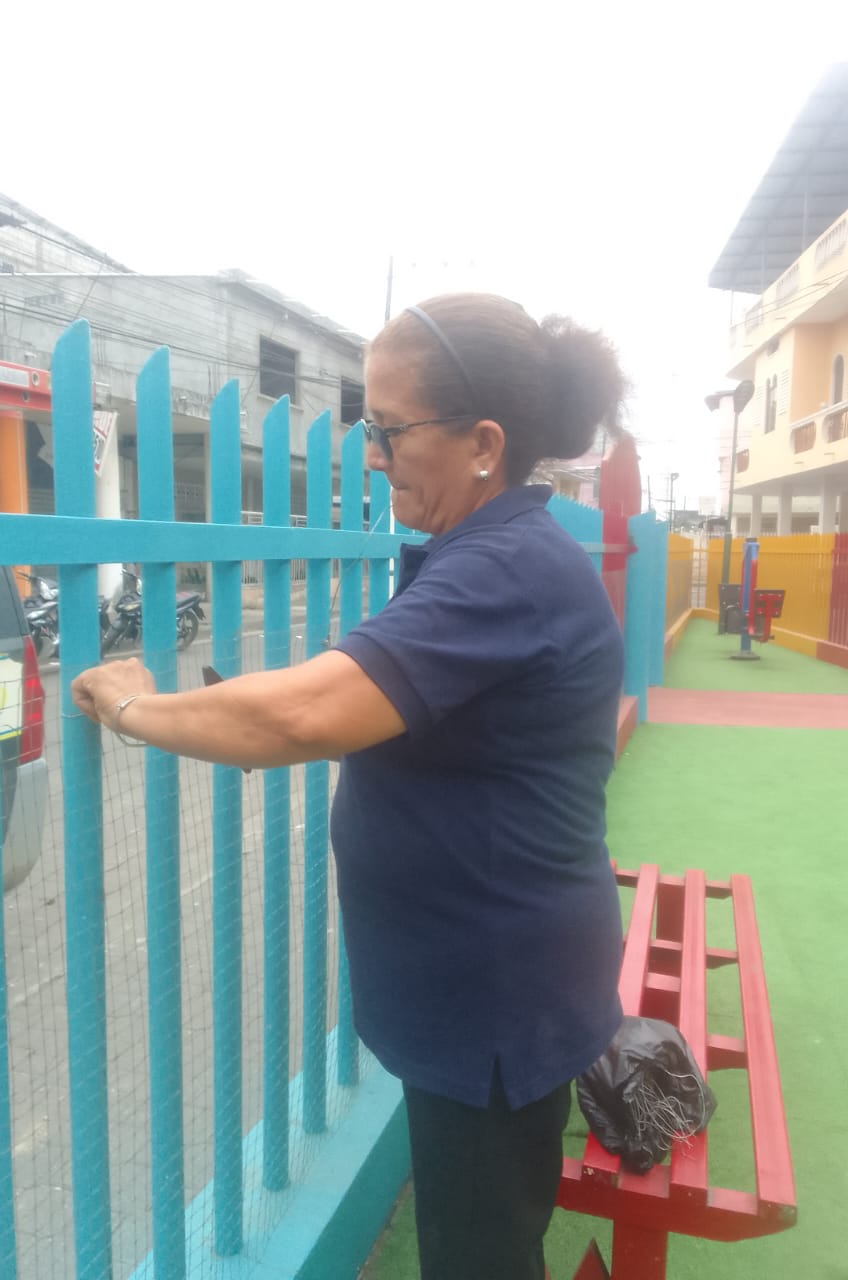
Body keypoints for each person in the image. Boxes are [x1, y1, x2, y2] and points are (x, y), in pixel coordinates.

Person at [72, 293, 627, 1280]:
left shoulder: (502, 569)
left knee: (479, 1258)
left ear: (483, 443)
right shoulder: (489, 556)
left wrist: (131, 704)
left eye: (388, 429)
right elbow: (412, 714)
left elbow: (300, 715)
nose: (371, 456)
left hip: (494, 1000)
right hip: (488, 980)